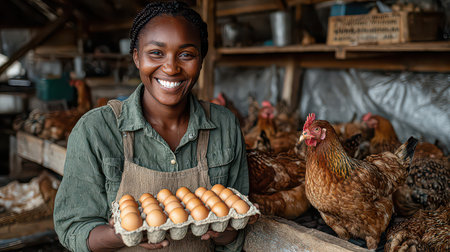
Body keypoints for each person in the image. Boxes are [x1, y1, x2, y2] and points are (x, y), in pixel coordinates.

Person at [53, 1, 250, 251]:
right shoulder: (96, 130)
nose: (171, 67)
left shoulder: (224, 125)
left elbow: (236, 233)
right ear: (136, 57)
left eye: (186, 54)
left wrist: (223, 230)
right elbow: (73, 229)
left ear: (201, 60)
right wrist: (123, 234)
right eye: (156, 53)